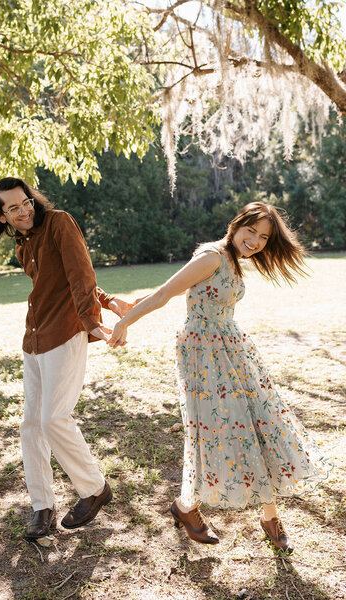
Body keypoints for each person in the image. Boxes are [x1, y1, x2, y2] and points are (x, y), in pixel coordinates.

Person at [108, 202, 332, 552]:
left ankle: (268, 514)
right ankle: (187, 506)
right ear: (236, 224)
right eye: (251, 231)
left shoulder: (232, 260)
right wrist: (125, 321)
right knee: (214, 429)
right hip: (202, 353)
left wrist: (130, 303)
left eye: (263, 237)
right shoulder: (213, 256)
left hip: (233, 348)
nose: (256, 241)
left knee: (257, 423)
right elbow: (167, 292)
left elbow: (188, 289)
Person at [0, 177, 129, 540]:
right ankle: (42, 506)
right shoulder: (22, 245)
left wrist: (94, 320)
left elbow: (79, 272)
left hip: (66, 332)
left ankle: (95, 489)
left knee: (54, 418)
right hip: (34, 338)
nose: (23, 210)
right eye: (13, 208)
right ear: (2, 216)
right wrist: (105, 299)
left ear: (32, 199)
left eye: (25, 201)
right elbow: (58, 279)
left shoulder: (59, 221)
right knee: (30, 425)